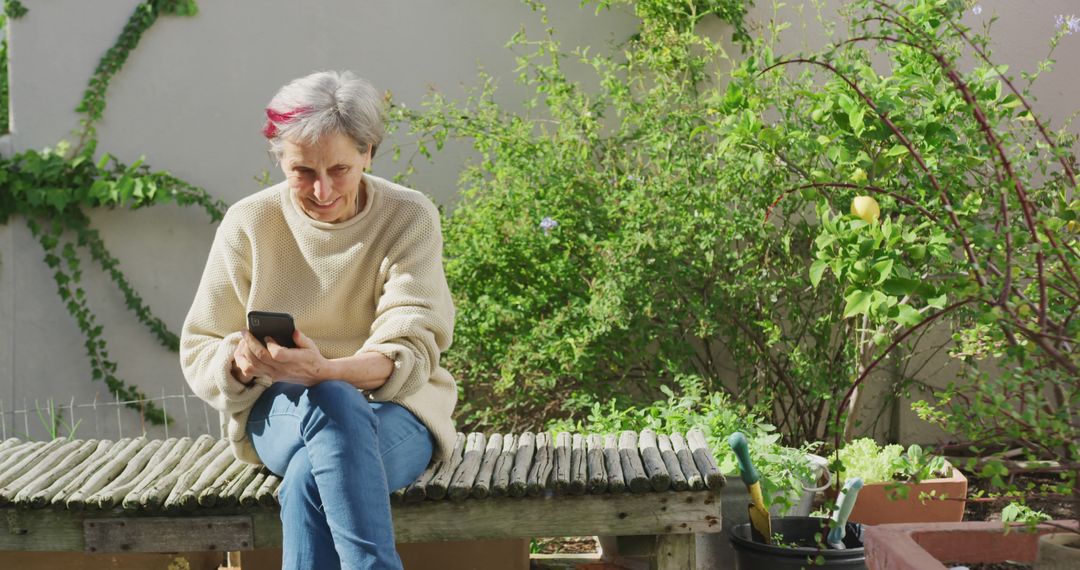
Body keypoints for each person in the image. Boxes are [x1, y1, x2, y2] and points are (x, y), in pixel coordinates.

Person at [180, 70, 456, 570]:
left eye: (340, 170)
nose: (323, 189)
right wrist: (241, 362)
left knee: (313, 469)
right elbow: (201, 345)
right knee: (329, 405)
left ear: (369, 151)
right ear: (279, 160)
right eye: (303, 171)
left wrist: (325, 371)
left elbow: (410, 348)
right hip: (280, 412)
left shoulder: (408, 217)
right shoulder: (250, 222)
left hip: (398, 410)